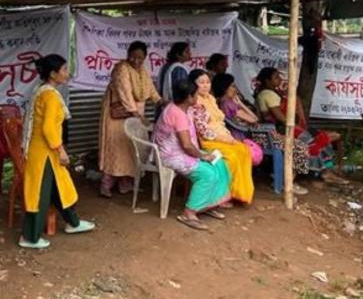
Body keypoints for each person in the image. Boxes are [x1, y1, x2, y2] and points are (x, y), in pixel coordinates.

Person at [19, 54, 95, 249]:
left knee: (59, 188)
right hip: (44, 153)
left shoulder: (42, 90)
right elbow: (48, 129)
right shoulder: (50, 96)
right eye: (63, 70)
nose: (66, 73)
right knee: (39, 195)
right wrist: (60, 150)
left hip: (44, 151)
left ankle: (73, 223)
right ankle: (30, 237)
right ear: (53, 74)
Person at [154, 79, 232, 231]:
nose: (198, 96)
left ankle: (208, 204)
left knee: (220, 163)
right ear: (189, 97)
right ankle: (189, 213)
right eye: (196, 94)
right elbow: (187, 145)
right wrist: (203, 156)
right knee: (208, 174)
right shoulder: (177, 114)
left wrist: (206, 155)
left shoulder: (184, 108)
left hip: (184, 151)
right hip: (172, 156)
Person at [213, 72, 310, 194]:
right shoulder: (228, 104)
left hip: (255, 134)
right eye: (232, 86)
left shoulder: (225, 102)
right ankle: (288, 182)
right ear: (224, 88)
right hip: (253, 137)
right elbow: (254, 119)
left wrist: (241, 104)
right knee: (298, 146)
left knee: (297, 145)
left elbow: (254, 119)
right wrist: (241, 104)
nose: (235, 89)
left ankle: (286, 180)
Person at [254, 67, 348, 185]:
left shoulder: (274, 93)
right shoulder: (268, 94)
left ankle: (326, 170)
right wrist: (298, 127)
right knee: (316, 140)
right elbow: (282, 119)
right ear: (267, 81)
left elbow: (294, 102)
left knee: (324, 138)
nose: (280, 79)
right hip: (281, 130)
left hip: (288, 127)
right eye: (276, 77)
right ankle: (324, 172)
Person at [98, 41, 165, 198]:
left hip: (135, 116)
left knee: (130, 149)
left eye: (140, 58)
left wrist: (162, 101)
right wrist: (138, 116)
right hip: (119, 116)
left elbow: (151, 90)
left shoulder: (142, 70)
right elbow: (125, 94)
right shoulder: (121, 68)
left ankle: (125, 184)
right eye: (133, 57)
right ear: (128, 55)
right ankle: (105, 185)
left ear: (144, 58)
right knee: (115, 150)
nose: (136, 60)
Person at [187, 69, 254, 204]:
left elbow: (220, 121)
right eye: (201, 82)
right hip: (209, 141)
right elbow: (203, 130)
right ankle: (223, 194)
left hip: (223, 136)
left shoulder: (211, 99)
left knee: (244, 151)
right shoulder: (196, 102)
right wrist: (224, 139)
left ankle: (238, 193)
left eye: (207, 82)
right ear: (193, 85)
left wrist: (228, 137)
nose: (205, 85)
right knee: (233, 156)